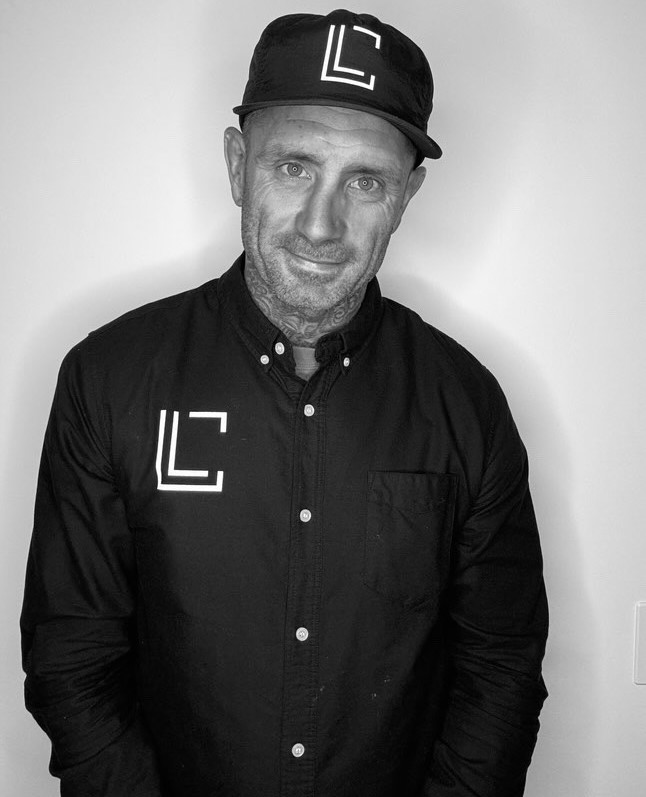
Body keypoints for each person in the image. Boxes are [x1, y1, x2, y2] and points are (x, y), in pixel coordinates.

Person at [21, 9, 548, 797]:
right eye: (295, 166)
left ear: (407, 195)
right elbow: (71, 653)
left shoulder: (467, 404)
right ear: (239, 165)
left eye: (365, 181)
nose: (320, 225)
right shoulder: (109, 378)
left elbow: (501, 666)